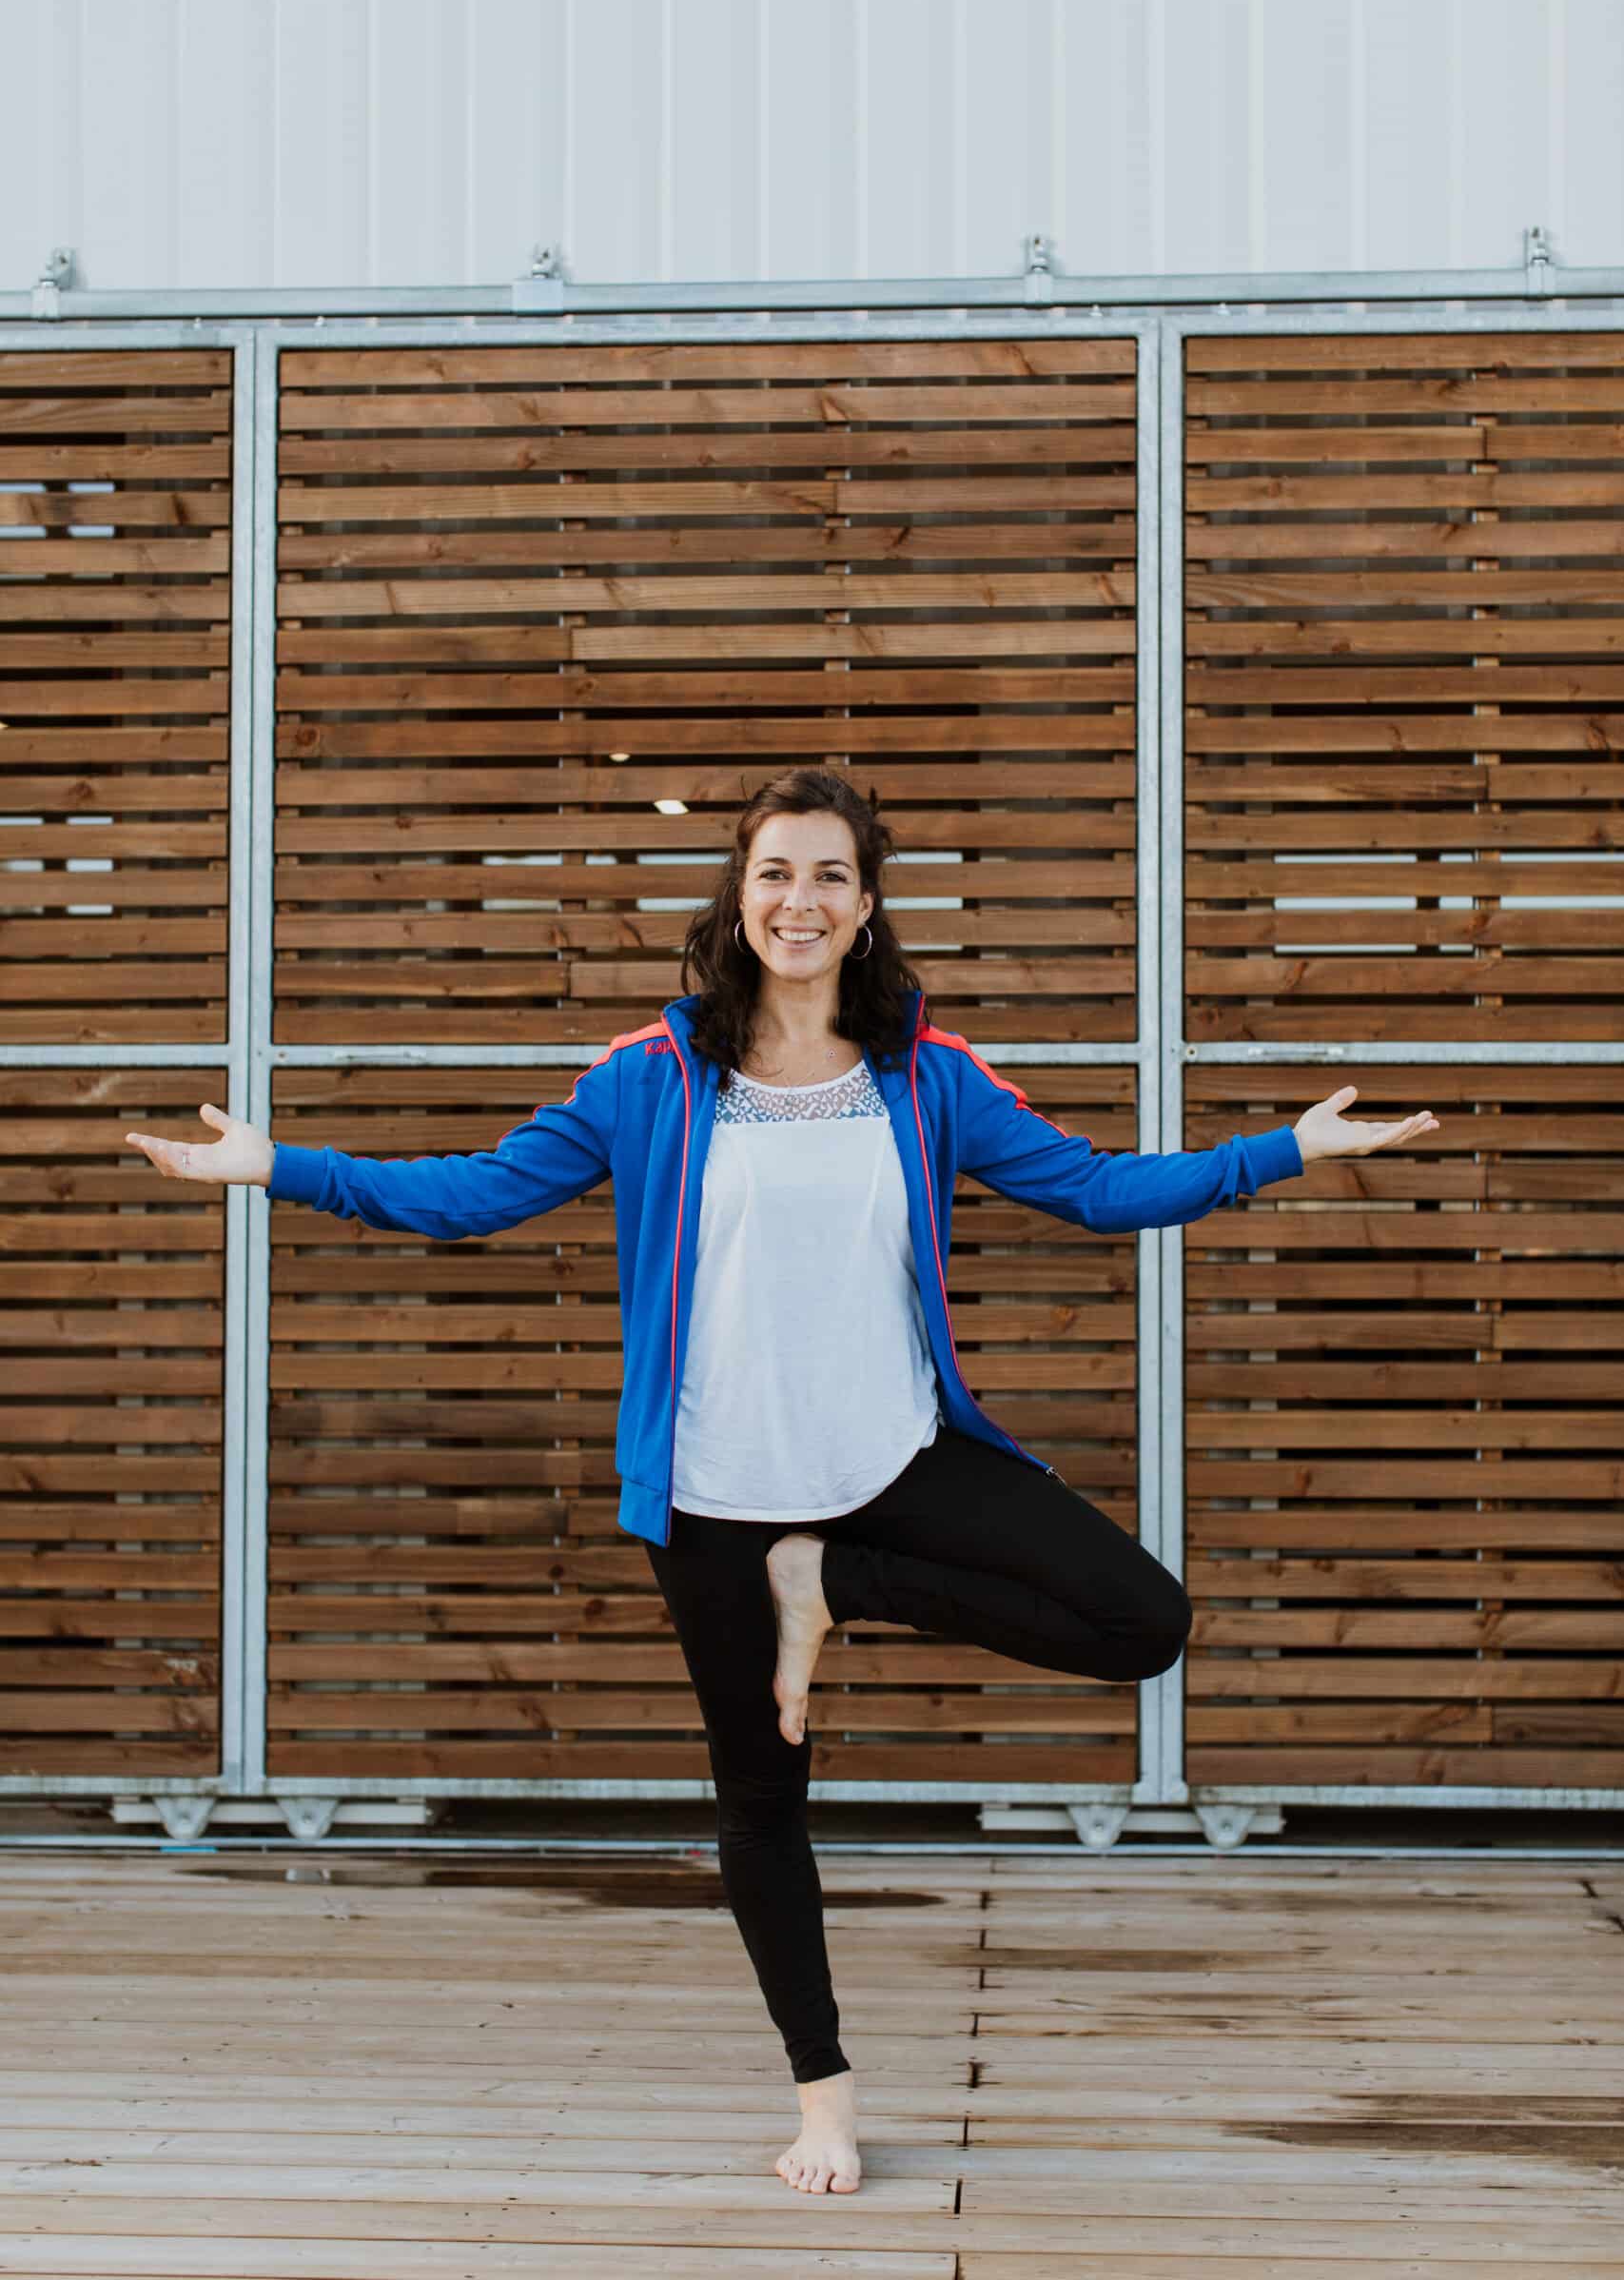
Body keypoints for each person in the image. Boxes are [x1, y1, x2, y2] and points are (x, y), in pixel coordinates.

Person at [126, 763, 1440, 2197]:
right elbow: (473, 1196)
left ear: (866, 908)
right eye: (774, 873)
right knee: (762, 1803)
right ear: (737, 898)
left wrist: (1282, 1152)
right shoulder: (651, 1075)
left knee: (1143, 1621)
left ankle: (832, 1584)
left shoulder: (928, 1075)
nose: (798, 900)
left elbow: (1093, 1187)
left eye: (828, 876)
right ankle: (825, 2097)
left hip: (894, 1459)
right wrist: (279, 1166)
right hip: (714, 1489)